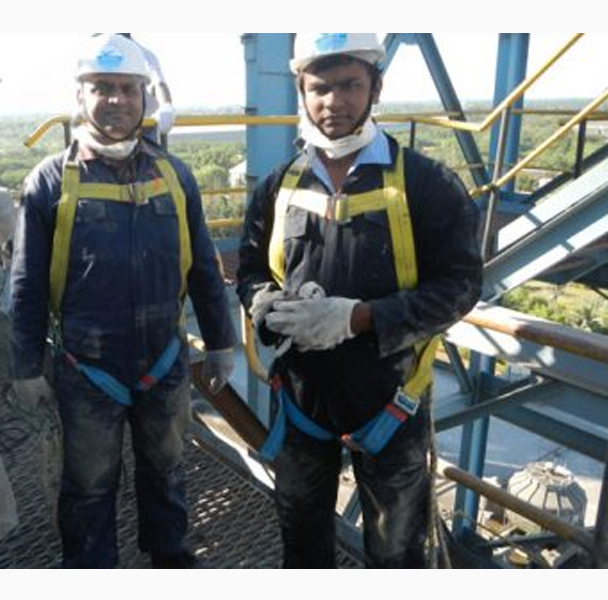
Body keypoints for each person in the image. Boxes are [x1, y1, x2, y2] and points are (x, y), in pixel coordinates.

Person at [237, 33, 483, 568]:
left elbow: (461, 286)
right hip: (302, 399)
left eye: (350, 85)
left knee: (395, 555)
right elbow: (251, 269)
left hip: (390, 403)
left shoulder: (426, 185)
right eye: (320, 87)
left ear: (376, 87)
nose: (335, 101)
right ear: (302, 92)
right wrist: (263, 303)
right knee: (302, 543)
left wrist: (361, 317)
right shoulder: (279, 187)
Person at [9, 34, 236, 569]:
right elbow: (27, 283)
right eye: (102, 87)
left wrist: (221, 341)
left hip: (163, 361)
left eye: (128, 89)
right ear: (80, 95)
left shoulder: (173, 176)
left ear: (144, 96)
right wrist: (25, 366)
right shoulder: (51, 182)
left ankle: (169, 554)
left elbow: (203, 267)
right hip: (88, 369)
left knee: (168, 467)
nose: (116, 99)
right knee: (89, 482)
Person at [117, 34, 177, 137]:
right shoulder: (96, 54)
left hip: (144, 127)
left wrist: (166, 106)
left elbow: (158, 83)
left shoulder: (144, 55)